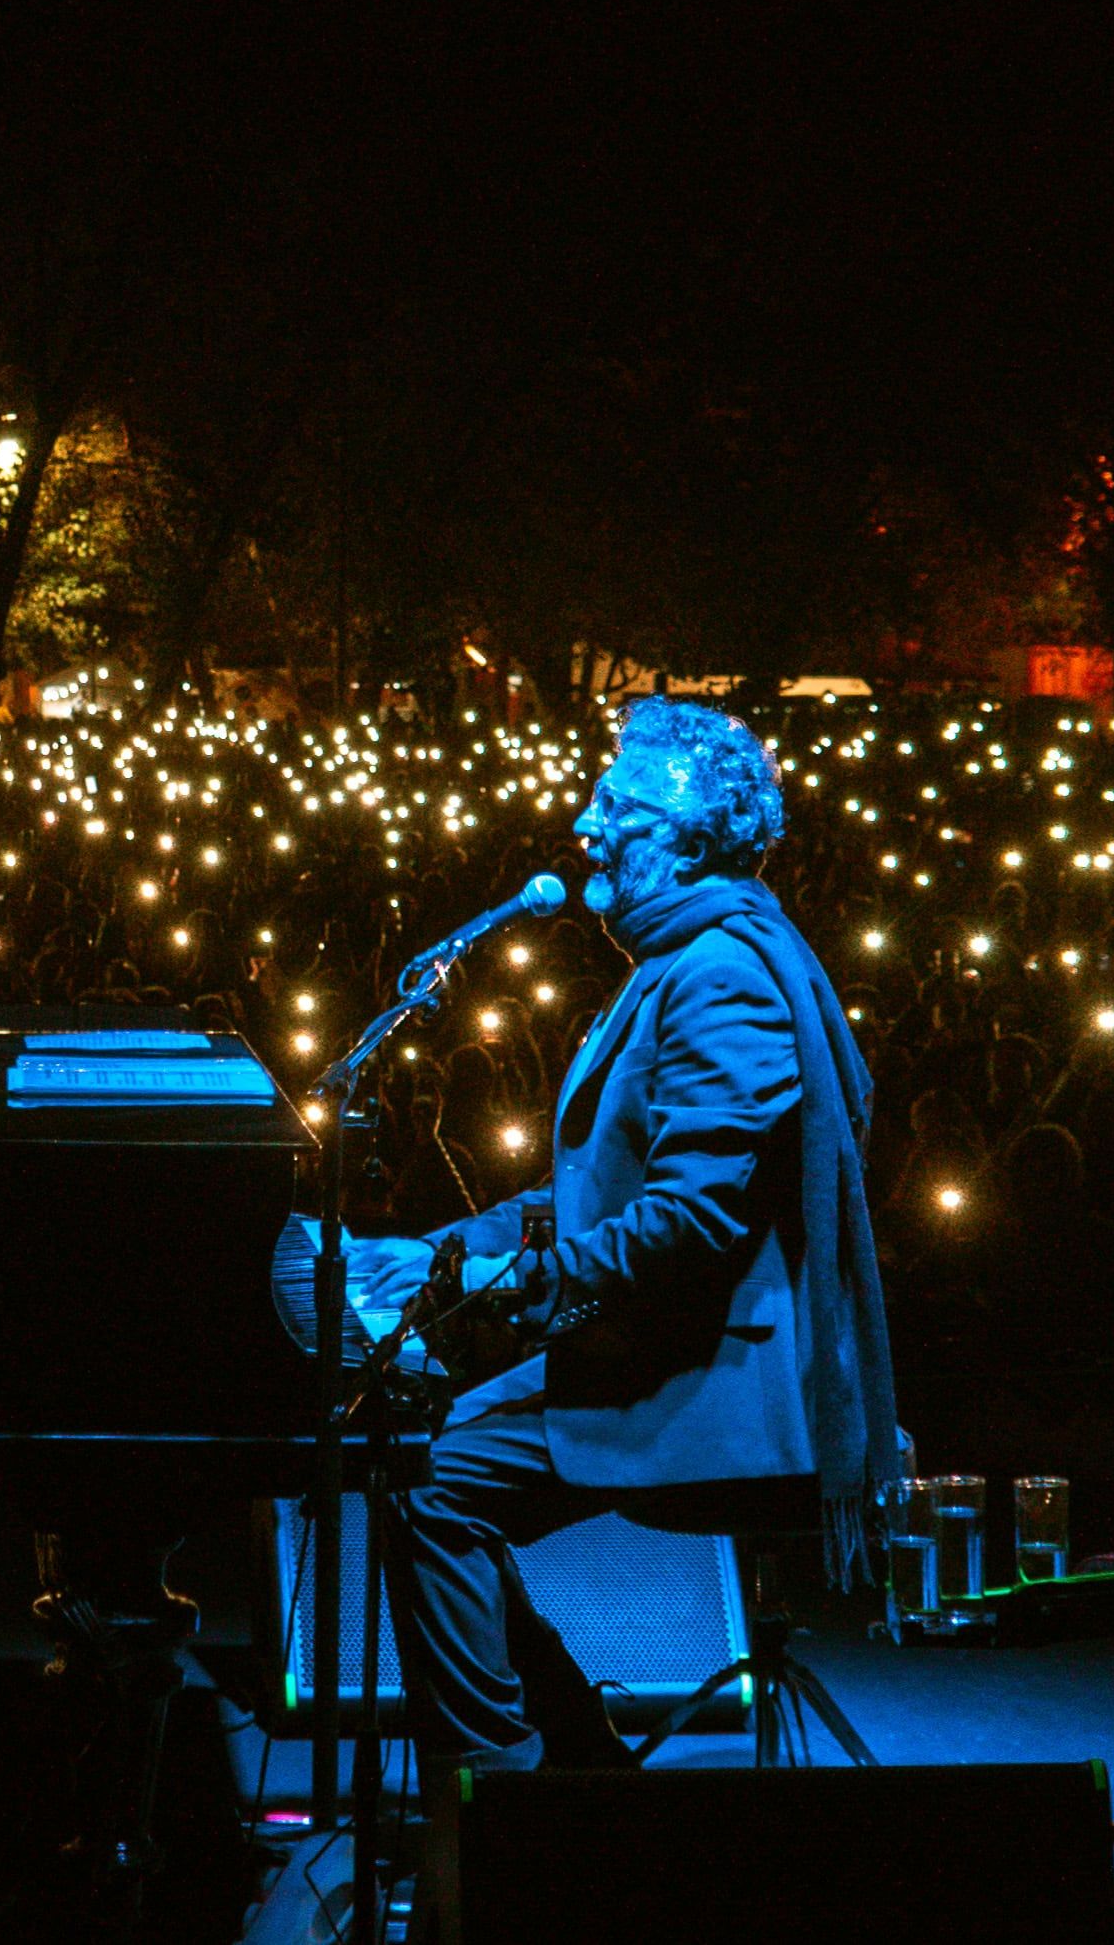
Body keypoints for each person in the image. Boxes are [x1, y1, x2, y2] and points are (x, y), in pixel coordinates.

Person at [378, 699, 897, 1776]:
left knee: (433, 1484)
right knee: (425, 1464)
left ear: (692, 837)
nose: (584, 822)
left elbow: (690, 1221)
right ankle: (573, 1777)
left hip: (710, 1385)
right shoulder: (683, 959)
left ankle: (512, 1796)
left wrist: (513, 1285)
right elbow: (610, 1198)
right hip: (672, 1352)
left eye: (615, 803)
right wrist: (447, 1244)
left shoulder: (720, 976)